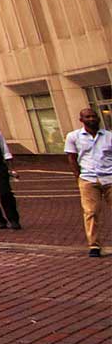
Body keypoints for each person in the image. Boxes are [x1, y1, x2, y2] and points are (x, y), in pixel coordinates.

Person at [64, 107, 112, 258]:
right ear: (81, 120)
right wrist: (78, 176)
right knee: (91, 212)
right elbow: (71, 158)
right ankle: (94, 245)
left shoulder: (109, 136)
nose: (91, 119)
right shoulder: (73, 136)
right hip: (88, 179)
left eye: (94, 116)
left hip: (110, 178)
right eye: (88, 117)